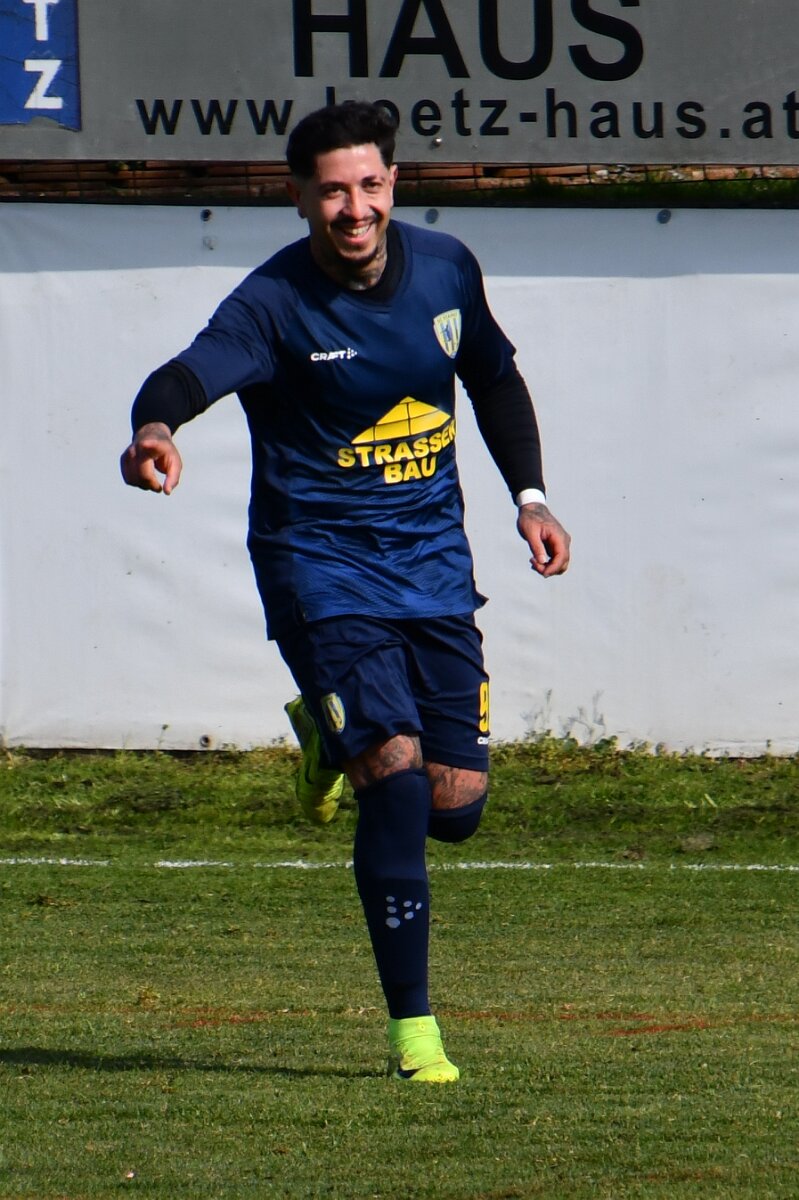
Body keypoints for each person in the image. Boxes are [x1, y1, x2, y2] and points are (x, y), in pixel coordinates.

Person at [120, 101, 571, 1083]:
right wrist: (154, 431)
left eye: (369, 185)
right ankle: (415, 1034)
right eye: (331, 191)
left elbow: (493, 378)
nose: (354, 208)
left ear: (393, 184)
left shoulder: (445, 270)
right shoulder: (272, 304)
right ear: (298, 198)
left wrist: (530, 499)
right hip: (317, 569)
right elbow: (183, 377)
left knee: (455, 807)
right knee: (396, 781)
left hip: (432, 568)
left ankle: (326, 736)